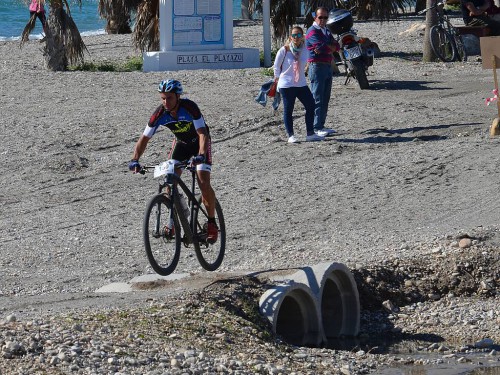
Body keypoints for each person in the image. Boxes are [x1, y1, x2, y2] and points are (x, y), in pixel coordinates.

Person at [128, 79, 218, 243]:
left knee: (203, 182)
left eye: (169, 98)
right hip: (181, 145)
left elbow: (203, 134)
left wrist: (201, 155)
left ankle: (212, 222)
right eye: (162, 98)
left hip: (200, 145)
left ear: (177, 97)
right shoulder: (160, 114)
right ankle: (175, 221)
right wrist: (135, 159)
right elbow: (144, 139)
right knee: (169, 182)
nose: (165, 102)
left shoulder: (190, 108)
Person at [274, 26, 325, 143]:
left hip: (300, 83)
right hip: (286, 84)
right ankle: (291, 135)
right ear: (290, 37)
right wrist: (277, 80)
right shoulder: (284, 50)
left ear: (302, 37)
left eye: (298, 35)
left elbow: (312, 56)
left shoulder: (305, 49)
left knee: (311, 105)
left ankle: (310, 133)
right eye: (294, 35)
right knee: (288, 109)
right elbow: (276, 67)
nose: (296, 38)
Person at [305, 6, 340, 137]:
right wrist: (328, 47)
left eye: (326, 17)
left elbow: (336, 45)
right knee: (317, 98)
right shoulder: (312, 31)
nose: (323, 20)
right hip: (317, 66)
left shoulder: (325, 31)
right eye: (321, 17)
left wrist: (328, 47)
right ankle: (316, 127)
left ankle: (321, 125)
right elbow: (321, 47)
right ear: (315, 17)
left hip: (327, 66)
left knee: (325, 97)